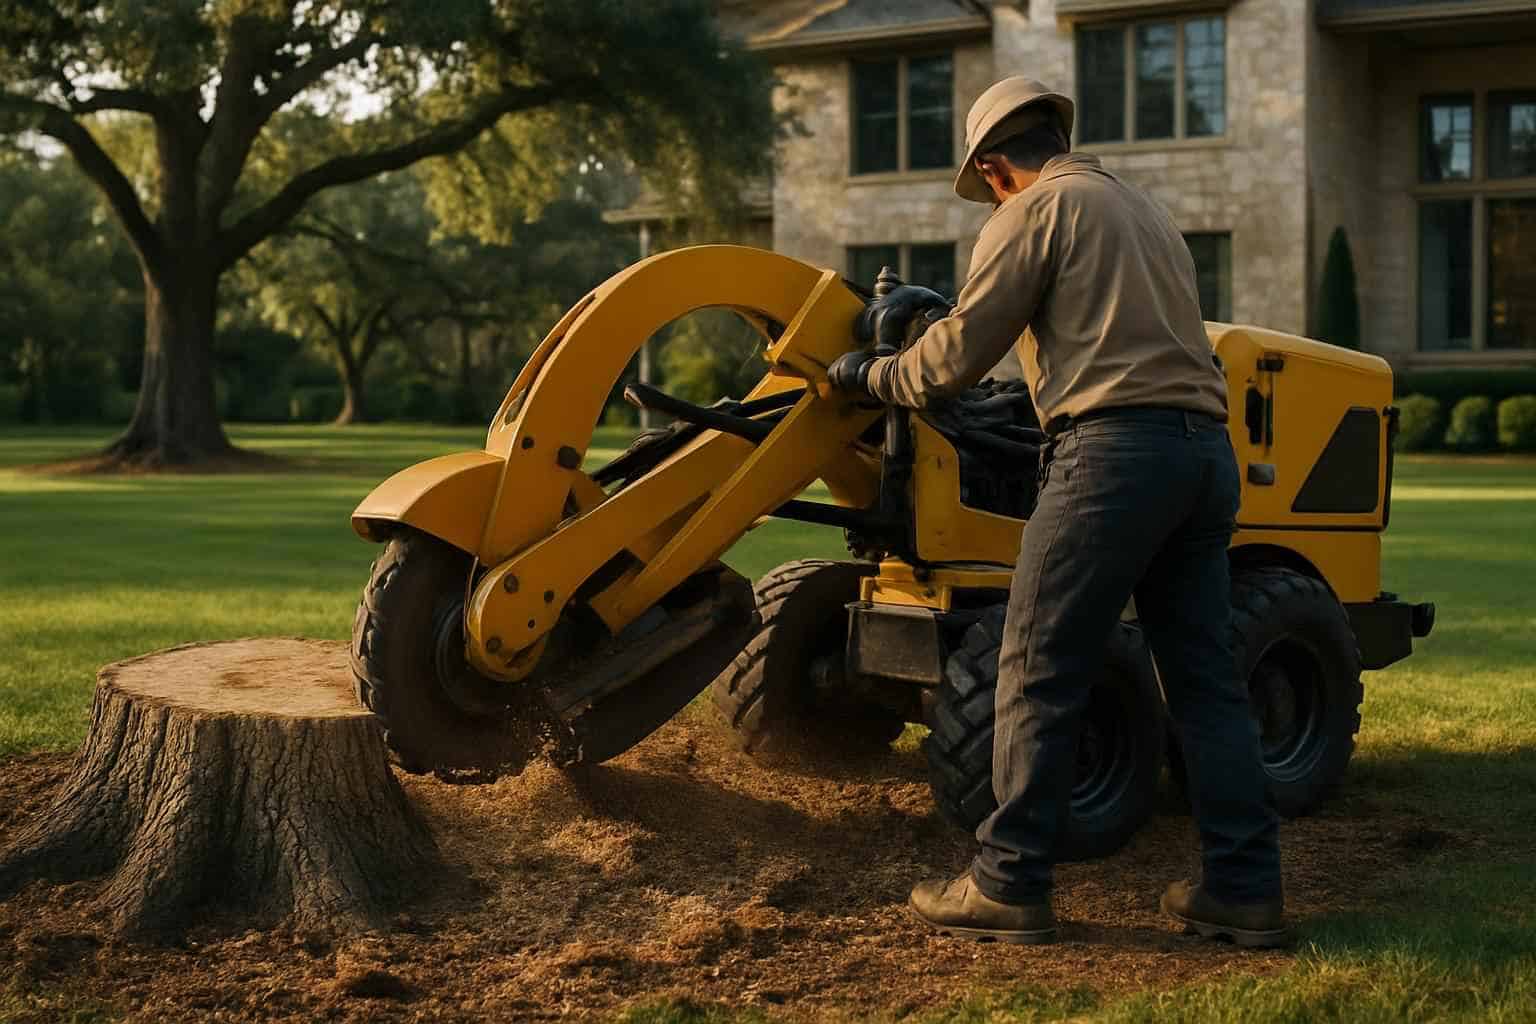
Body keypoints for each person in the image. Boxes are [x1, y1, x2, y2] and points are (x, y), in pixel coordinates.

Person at [827, 77, 1286, 948]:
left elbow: (954, 355)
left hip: (1113, 456)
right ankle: (1244, 887)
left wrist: (870, 377)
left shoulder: (1035, 212)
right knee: (1203, 680)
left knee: (1034, 660)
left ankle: (1007, 883)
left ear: (996, 168)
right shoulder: (1146, 215)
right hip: (1202, 454)